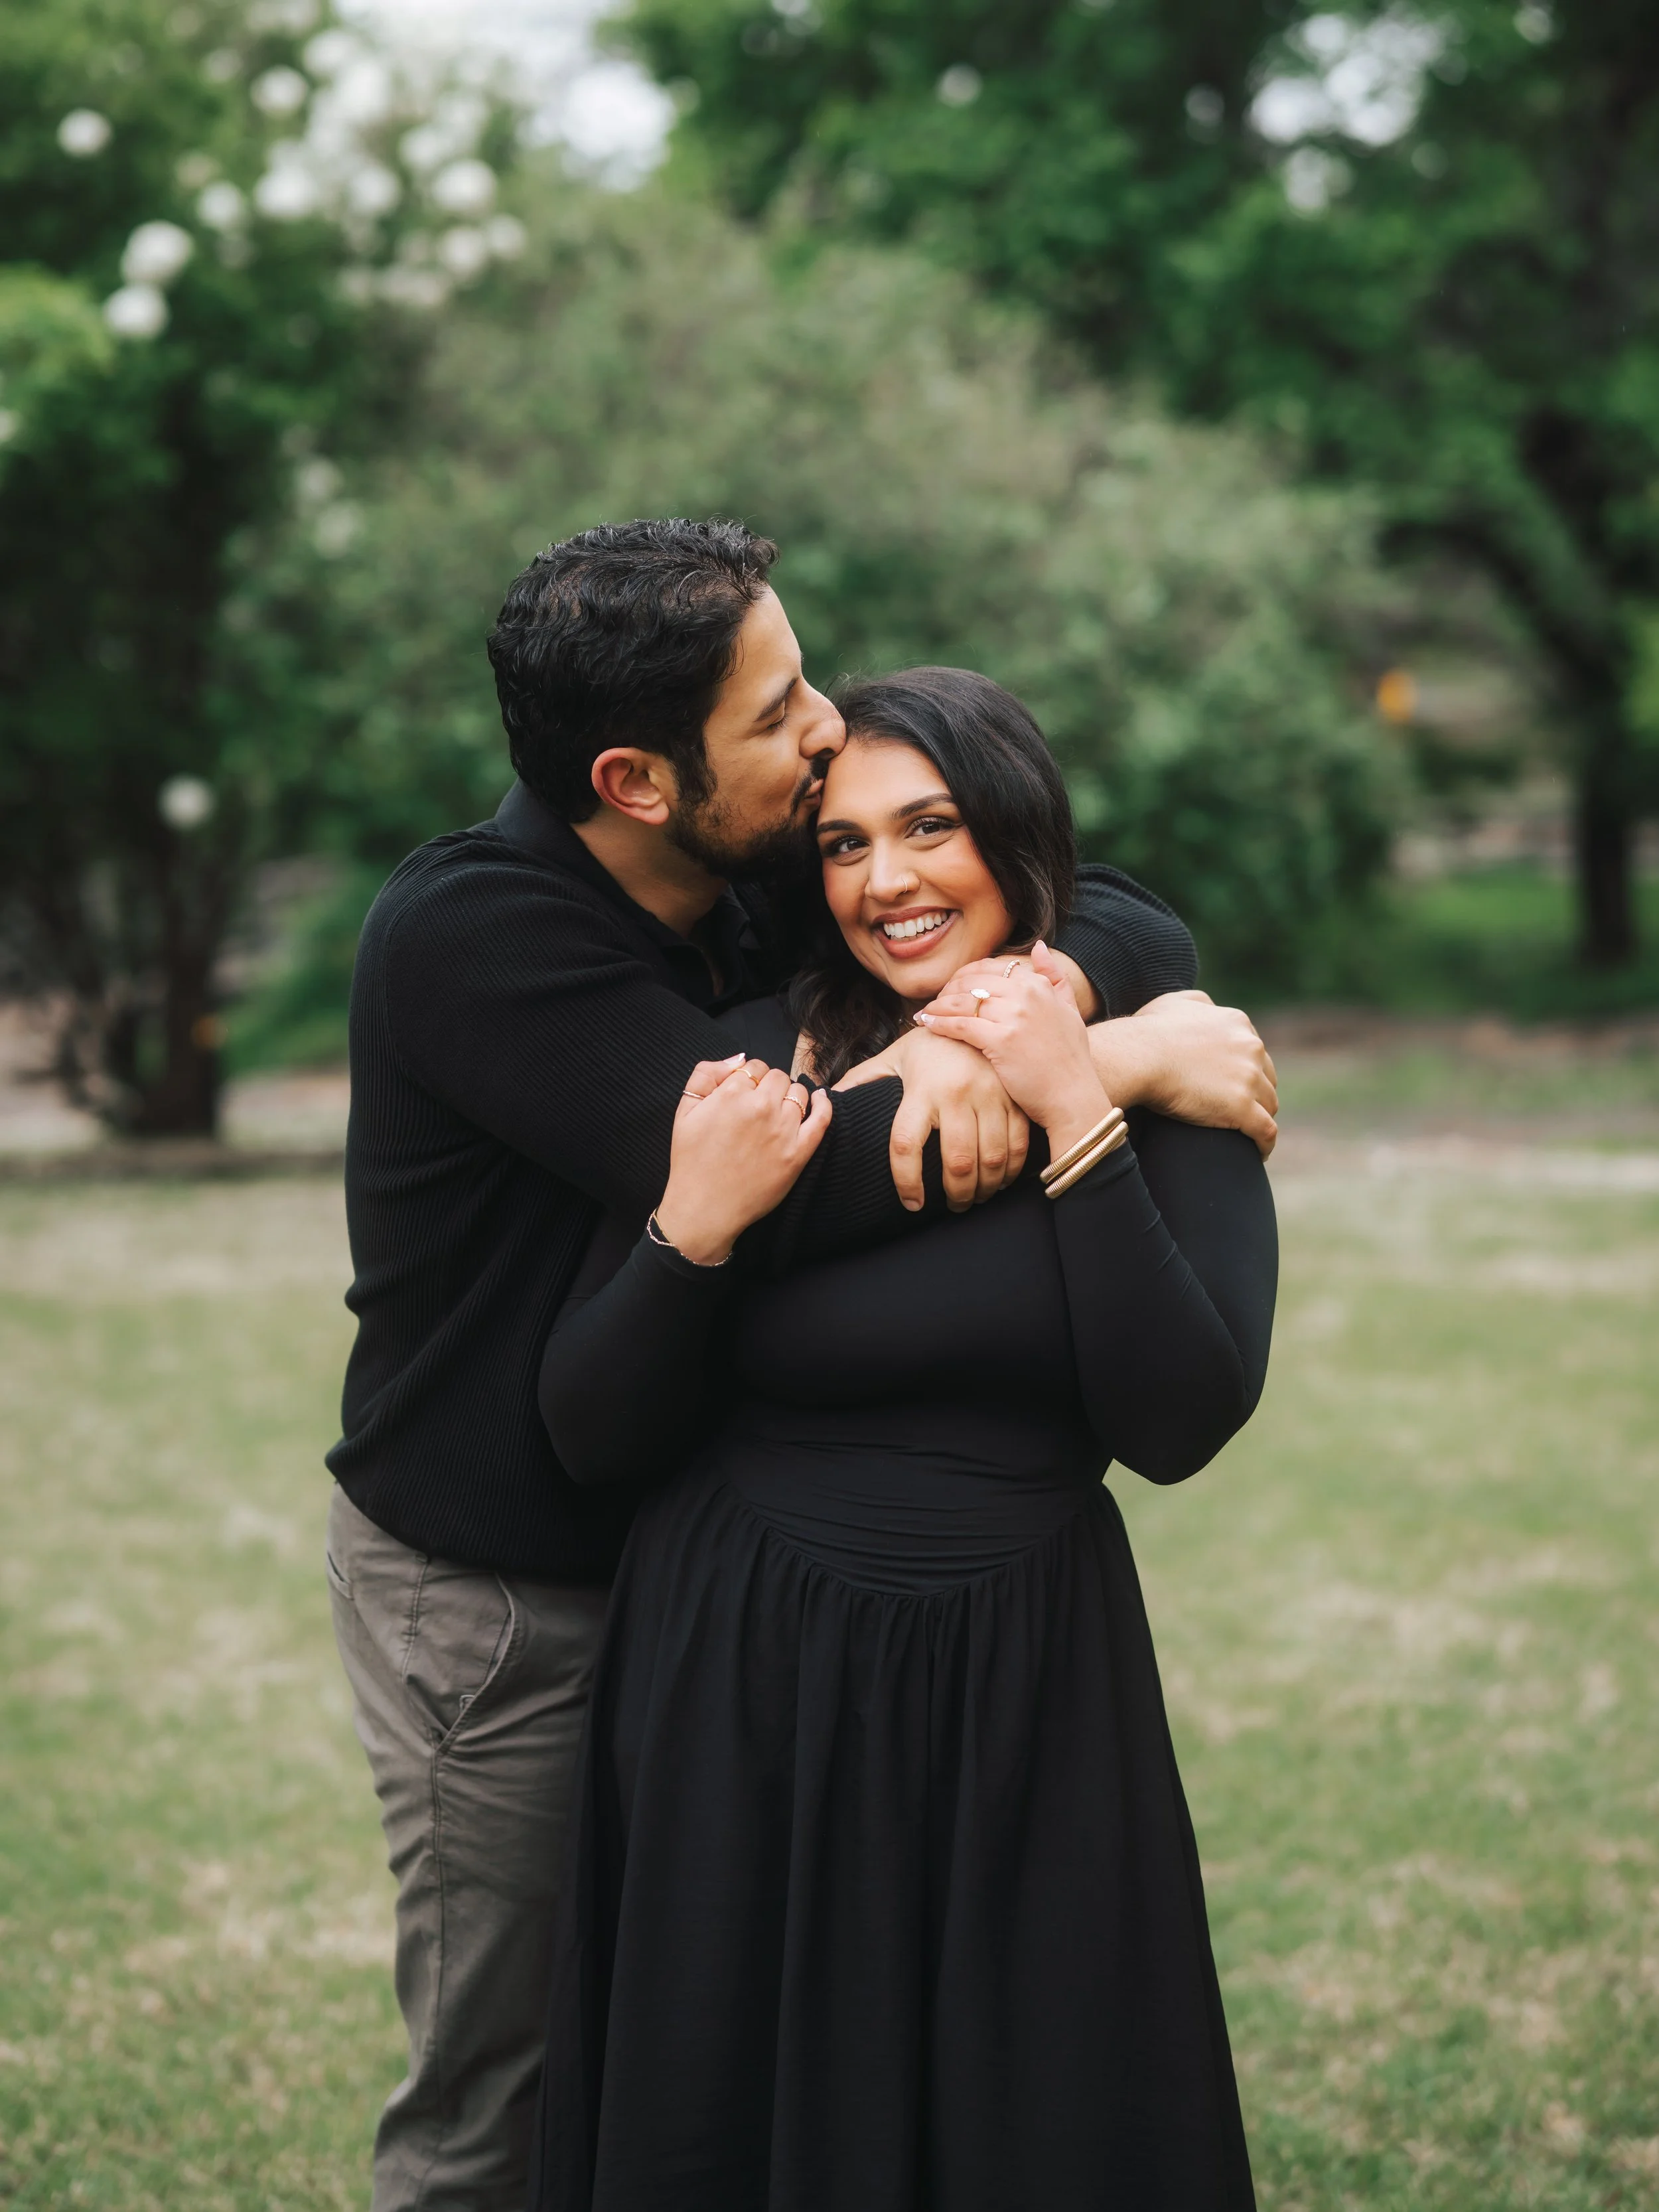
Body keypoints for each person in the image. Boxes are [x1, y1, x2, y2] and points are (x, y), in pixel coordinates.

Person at [326, 519, 1279, 2211]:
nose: (824, 729)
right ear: (636, 782)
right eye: (778, 713)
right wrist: (1112, 1065)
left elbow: (1094, 895)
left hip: (726, 1574)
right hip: (506, 1589)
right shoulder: (473, 936)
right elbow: (790, 1174)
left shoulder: (764, 859)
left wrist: (1049, 998)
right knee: (518, 2087)